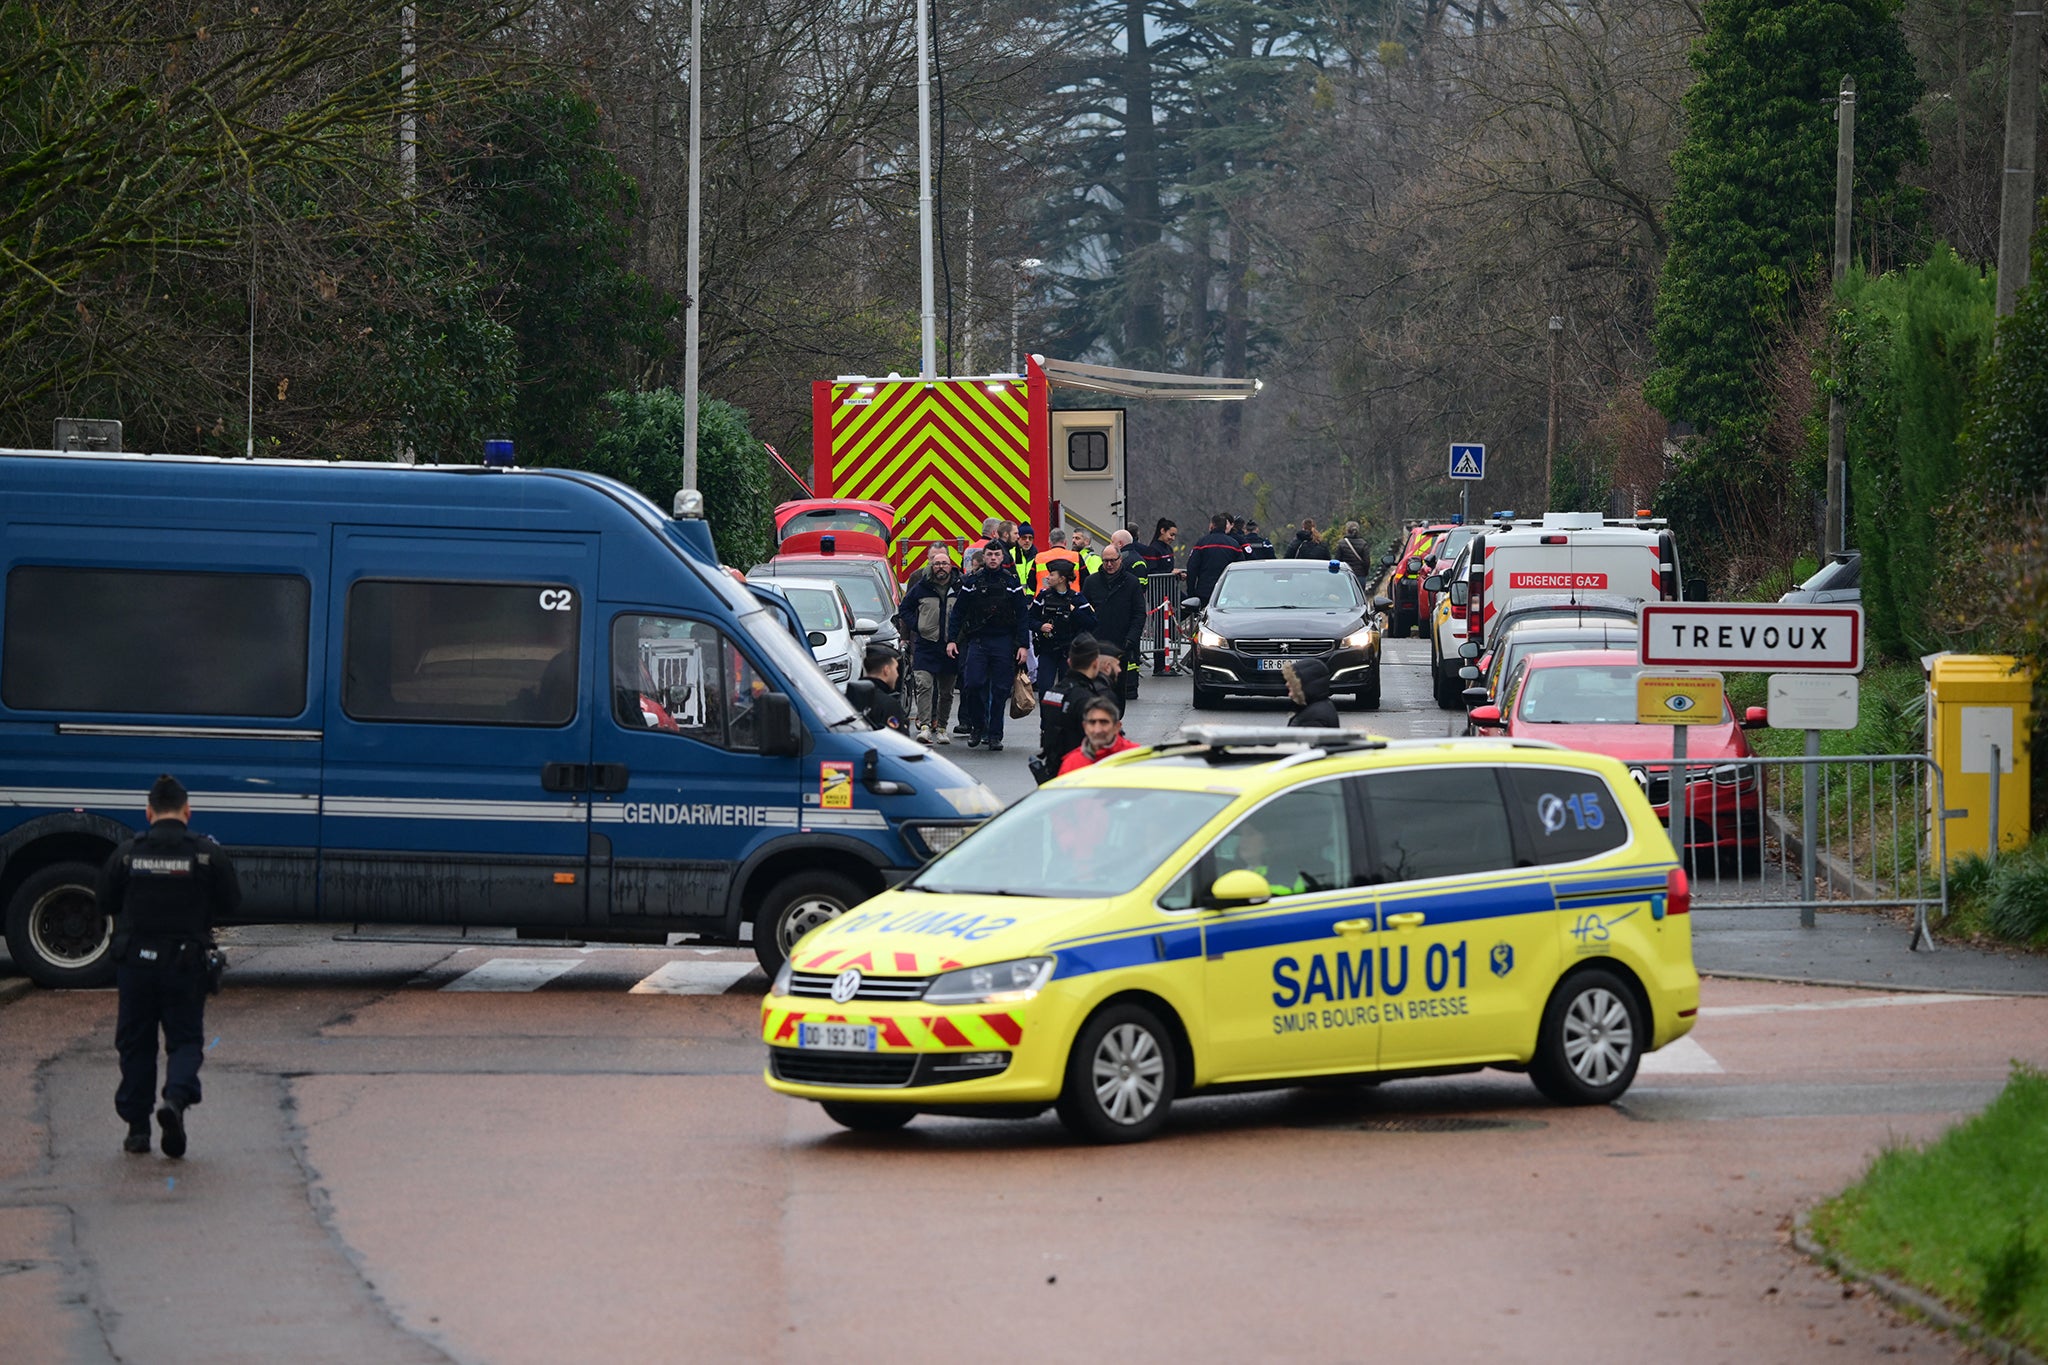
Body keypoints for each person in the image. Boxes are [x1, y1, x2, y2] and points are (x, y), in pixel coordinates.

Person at [102, 774, 239, 1158]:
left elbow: (103, 900)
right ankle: (175, 1101)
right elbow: (233, 901)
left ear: (148, 813)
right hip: (184, 964)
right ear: (187, 812)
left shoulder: (128, 853)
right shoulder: (206, 854)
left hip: (136, 964)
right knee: (185, 1041)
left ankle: (137, 1130)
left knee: (135, 1043)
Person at [947, 541, 1030, 750]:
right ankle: (977, 727)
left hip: (1003, 641)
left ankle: (994, 735)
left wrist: (1023, 645)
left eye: (996, 555)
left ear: (1002, 558)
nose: (993, 558)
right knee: (972, 685)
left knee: (1001, 690)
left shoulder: (1011, 582)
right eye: (989, 555)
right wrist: (951, 640)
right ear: (984, 557)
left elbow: (1022, 615)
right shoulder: (973, 581)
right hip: (978, 641)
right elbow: (957, 613)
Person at [897, 545, 959, 743]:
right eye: (937, 563)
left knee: (947, 691)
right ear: (931, 565)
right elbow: (904, 608)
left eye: (944, 563)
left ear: (951, 565)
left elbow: (969, 612)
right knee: (924, 685)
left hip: (950, 647)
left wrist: (961, 636)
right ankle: (924, 726)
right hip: (926, 644)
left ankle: (941, 727)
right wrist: (917, 626)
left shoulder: (960, 586)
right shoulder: (921, 586)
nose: (941, 567)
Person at [1040, 634, 1124, 774]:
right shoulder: (1088, 699)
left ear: (1069, 662)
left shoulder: (1052, 693)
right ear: (1096, 663)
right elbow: (1108, 741)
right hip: (1079, 771)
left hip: (1054, 769)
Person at [1083, 539, 1148, 701]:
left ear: (1120, 560)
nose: (1109, 564)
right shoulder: (1091, 582)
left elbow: (1139, 613)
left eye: (1113, 560)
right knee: (1098, 690)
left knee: (1118, 692)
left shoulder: (1131, 583)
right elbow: (1082, 612)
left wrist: (1131, 639)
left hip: (1121, 644)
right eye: (1106, 561)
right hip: (1097, 644)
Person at [1027, 559, 1098, 693]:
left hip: (1069, 651)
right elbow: (1029, 618)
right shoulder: (1043, 596)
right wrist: (1040, 626)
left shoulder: (1077, 598)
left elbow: (1092, 622)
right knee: (1045, 688)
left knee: (1067, 690)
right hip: (1047, 650)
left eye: (1052, 574)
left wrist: (1074, 611)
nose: (1048, 577)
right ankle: (1047, 714)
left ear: (1062, 579)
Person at [1055, 695, 1140, 774]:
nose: (1098, 730)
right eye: (1092, 723)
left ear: (1117, 727)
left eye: (1104, 722)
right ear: (1085, 727)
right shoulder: (1072, 764)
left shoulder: (1136, 757)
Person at [1185, 513, 1246, 606]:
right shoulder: (1234, 545)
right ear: (1226, 526)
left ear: (1212, 525)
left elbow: (1192, 567)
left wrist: (1191, 593)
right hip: (1228, 592)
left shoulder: (1202, 543)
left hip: (1205, 592)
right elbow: (1241, 569)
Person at [855, 643, 910, 733]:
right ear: (886, 670)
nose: (897, 674)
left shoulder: (847, 699)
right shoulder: (889, 705)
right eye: (895, 669)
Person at [1282, 656, 1340, 728]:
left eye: (1292, 682)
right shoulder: (1318, 708)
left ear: (1304, 685)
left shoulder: (1312, 719)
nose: (1287, 684)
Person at [1026, 527, 1083, 596]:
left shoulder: (1039, 557)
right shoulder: (1076, 556)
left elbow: (1031, 583)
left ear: (1049, 542)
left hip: (1045, 598)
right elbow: (1085, 581)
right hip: (1071, 600)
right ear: (1065, 542)